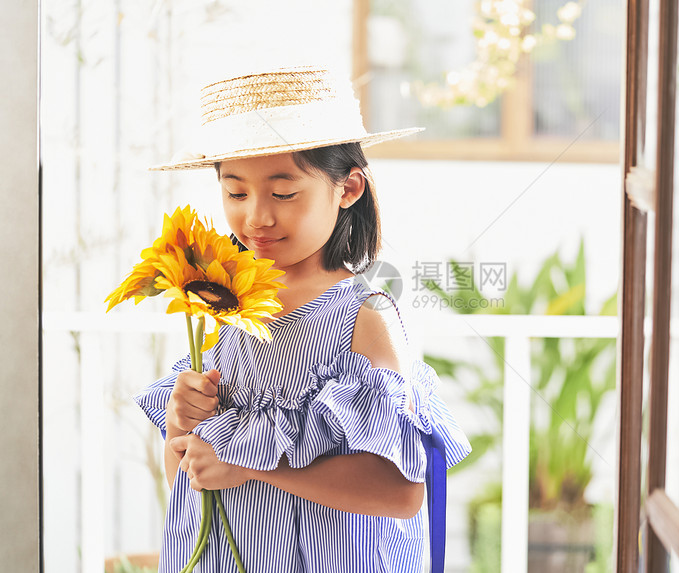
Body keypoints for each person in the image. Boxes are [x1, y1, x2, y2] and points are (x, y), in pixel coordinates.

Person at [133, 65, 471, 572]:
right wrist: (184, 422)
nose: (256, 218)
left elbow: (401, 490)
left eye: (284, 193)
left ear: (349, 188)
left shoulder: (363, 315)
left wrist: (253, 468)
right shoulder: (229, 311)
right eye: (236, 192)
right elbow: (188, 479)